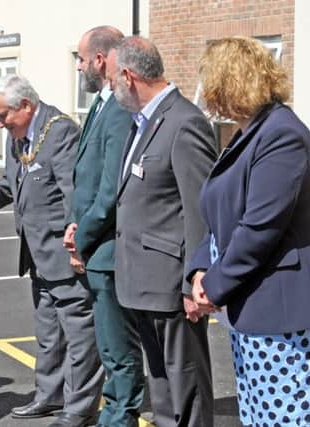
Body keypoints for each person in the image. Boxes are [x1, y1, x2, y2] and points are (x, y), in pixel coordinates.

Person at [188, 36, 310, 426]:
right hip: (253, 306)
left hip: (281, 313)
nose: (205, 92)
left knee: (283, 421)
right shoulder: (250, 133)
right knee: (259, 419)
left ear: (231, 82)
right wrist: (198, 273)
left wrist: (214, 286)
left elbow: (260, 227)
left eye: (211, 81)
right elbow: (217, 215)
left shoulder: (281, 135)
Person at [0, 74, 103, 427]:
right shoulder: (21, 136)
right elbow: (14, 185)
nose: (0, 124)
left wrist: (78, 244)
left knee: (78, 333)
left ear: (25, 106)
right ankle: (49, 395)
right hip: (36, 253)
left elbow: (74, 192)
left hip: (62, 251)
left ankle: (80, 407)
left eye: (3, 116)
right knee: (47, 331)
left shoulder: (58, 131)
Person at [111, 36, 217, 426]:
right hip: (142, 282)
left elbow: (200, 212)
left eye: (111, 78)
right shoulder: (143, 122)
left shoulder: (184, 122)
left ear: (128, 75)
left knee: (185, 387)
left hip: (172, 286)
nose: (110, 87)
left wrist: (194, 281)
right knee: (162, 392)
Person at [63, 26, 144, 427]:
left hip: (108, 251)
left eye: (80, 59)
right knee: (109, 345)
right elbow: (87, 176)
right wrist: (74, 225)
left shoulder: (118, 109)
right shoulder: (101, 104)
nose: (78, 67)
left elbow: (110, 189)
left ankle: (119, 417)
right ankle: (113, 413)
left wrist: (84, 234)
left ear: (98, 59)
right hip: (94, 245)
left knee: (118, 349)